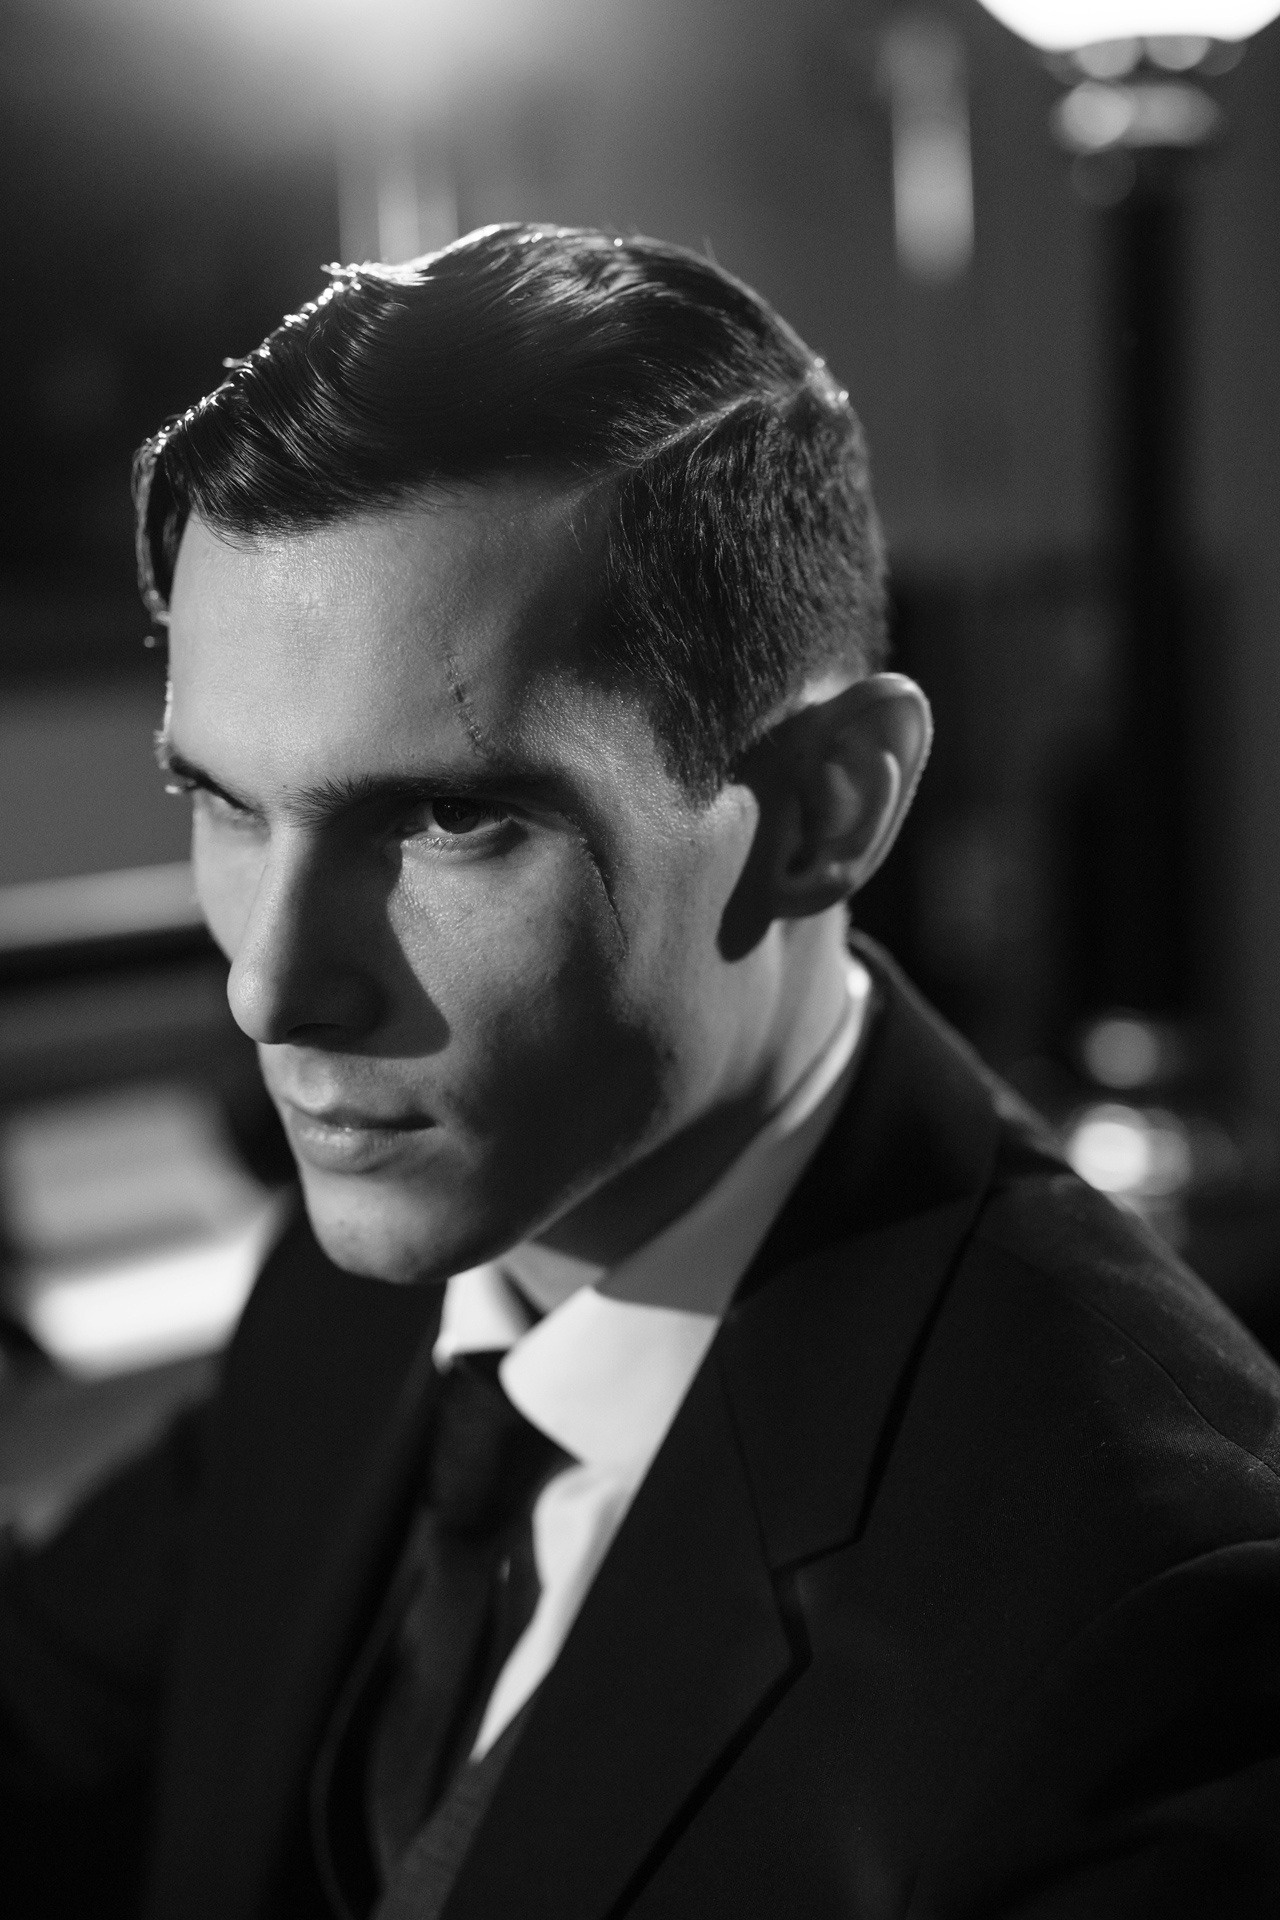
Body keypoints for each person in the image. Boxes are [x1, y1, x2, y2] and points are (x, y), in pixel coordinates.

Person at [3, 223, 1280, 1920]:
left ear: (825, 807)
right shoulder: (378, 1261)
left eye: (447, 816)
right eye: (224, 802)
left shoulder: (1159, 1621)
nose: (269, 989)